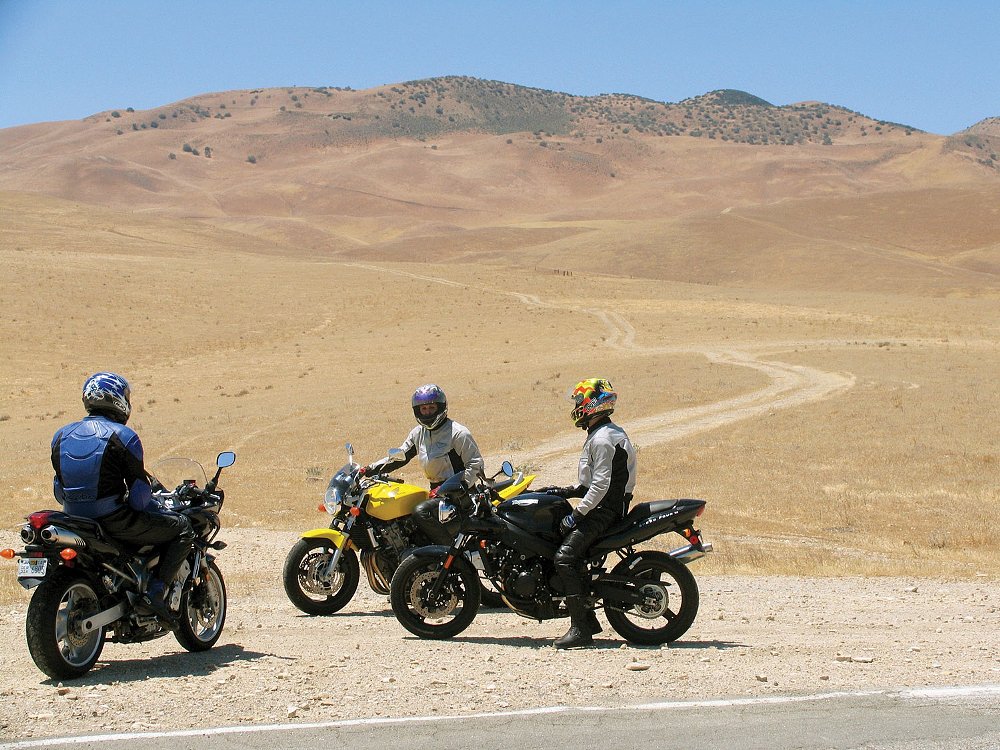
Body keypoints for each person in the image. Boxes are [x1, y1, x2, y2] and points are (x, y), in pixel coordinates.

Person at [50, 372, 194, 627]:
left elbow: (59, 491)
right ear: (118, 400)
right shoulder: (123, 436)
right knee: (183, 528)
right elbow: (139, 499)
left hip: (72, 520)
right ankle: (155, 592)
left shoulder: (60, 435)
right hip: (113, 521)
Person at [539, 377, 636, 649]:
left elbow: (601, 485)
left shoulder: (604, 438)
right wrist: (563, 491)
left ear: (592, 404)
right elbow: (589, 483)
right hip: (605, 506)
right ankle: (588, 617)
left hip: (604, 511)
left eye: (580, 401)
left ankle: (580, 628)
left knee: (565, 558)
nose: (577, 406)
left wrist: (577, 515)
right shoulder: (605, 433)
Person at [360, 384, 484, 545]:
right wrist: (369, 469)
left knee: (421, 512)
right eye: (423, 409)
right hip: (436, 492)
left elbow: (476, 465)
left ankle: (451, 555)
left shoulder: (458, 433)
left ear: (441, 407)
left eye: (431, 408)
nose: (427, 412)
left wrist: (452, 487)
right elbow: (400, 456)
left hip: (460, 494)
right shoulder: (418, 433)